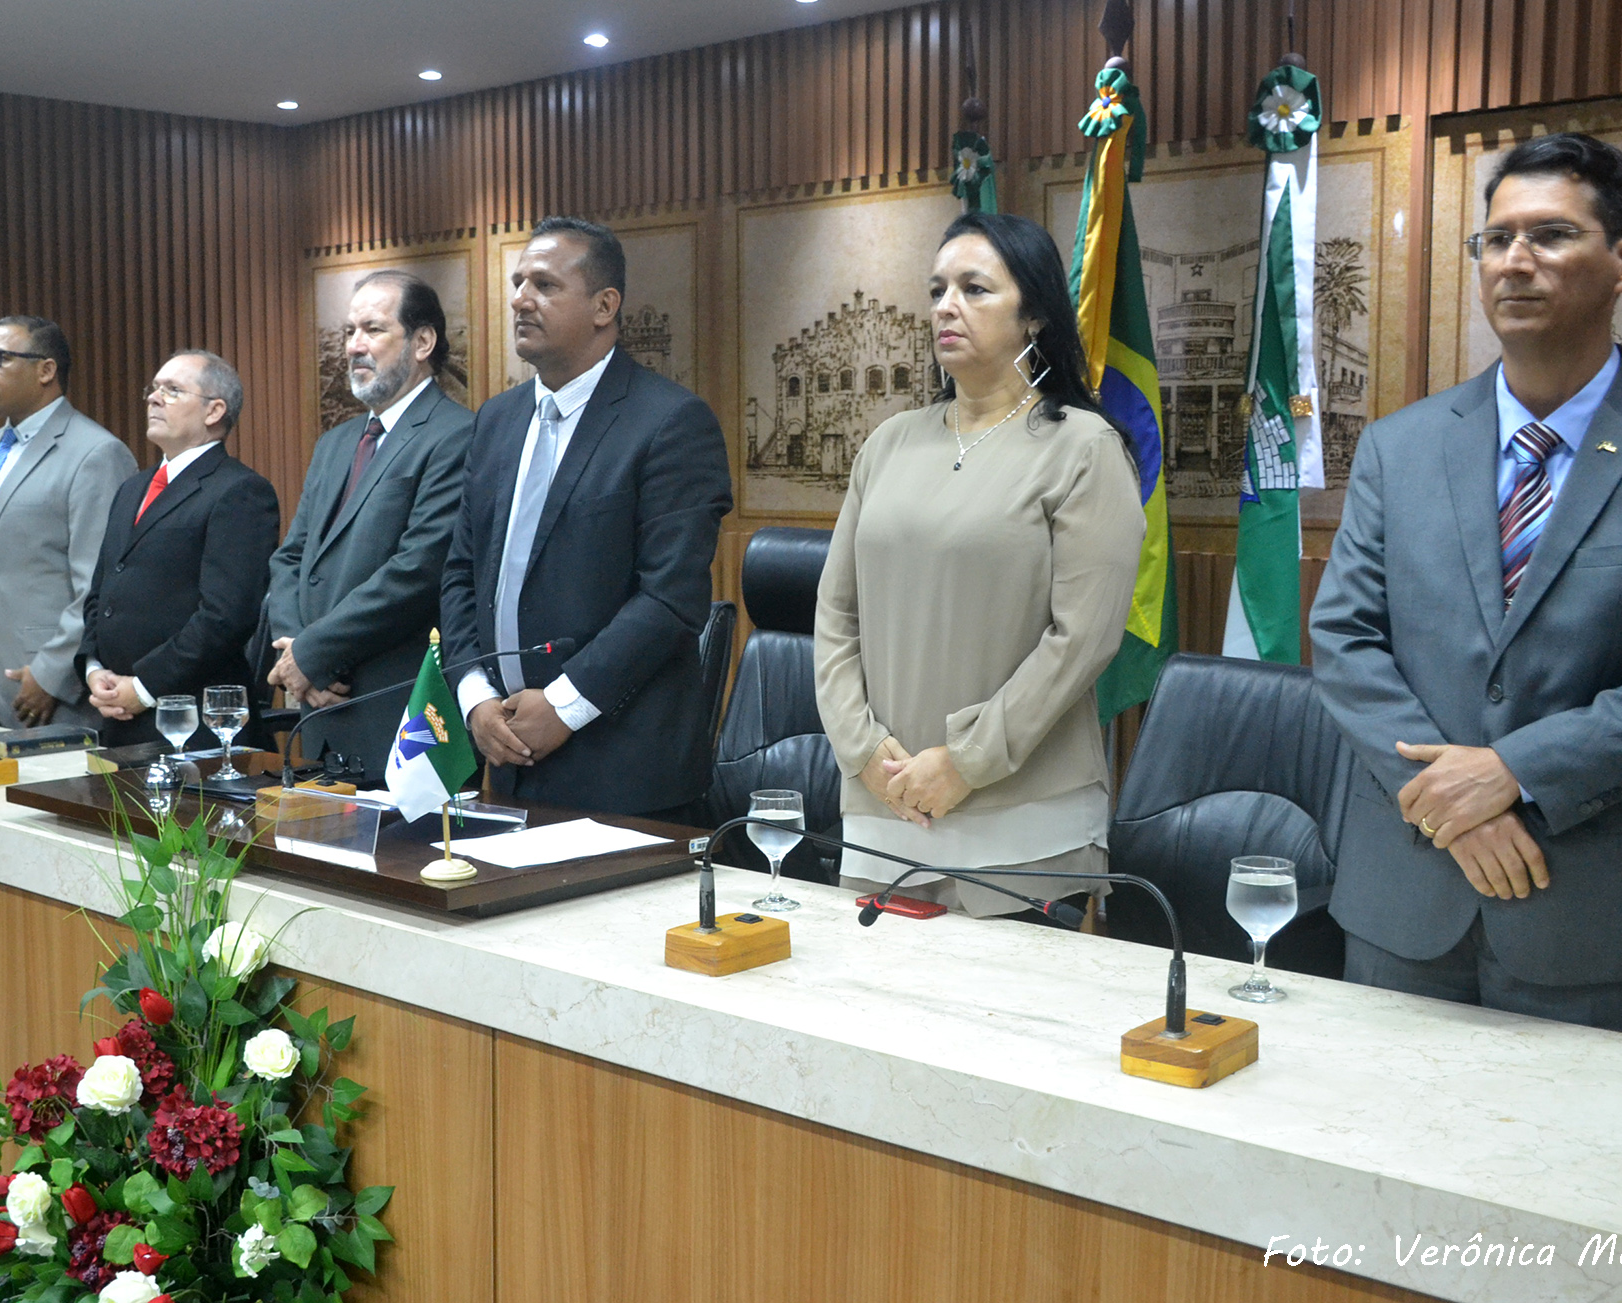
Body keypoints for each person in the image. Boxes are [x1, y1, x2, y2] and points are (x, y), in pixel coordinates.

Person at [1310, 132, 1622, 1035]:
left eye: (1552, 235)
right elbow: (1344, 638)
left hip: (1595, 919)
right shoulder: (1400, 446)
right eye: (1496, 239)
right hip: (1404, 900)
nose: (1515, 261)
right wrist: (1452, 805)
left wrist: (1513, 773)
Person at [814, 211, 1145, 918]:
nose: (946, 307)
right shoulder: (888, 443)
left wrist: (967, 761)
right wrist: (862, 749)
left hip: (1021, 819)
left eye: (974, 289)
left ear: (1034, 315)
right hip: (884, 800)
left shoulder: (1084, 448)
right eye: (937, 290)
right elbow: (836, 614)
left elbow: (1082, 640)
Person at [441, 217, 732, 818]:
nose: (520, 300)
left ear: (605, 306)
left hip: (624, 773)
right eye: (519, 283)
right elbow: (461, 572)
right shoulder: (496, 420)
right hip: (506, 756)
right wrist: (474, 697)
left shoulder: (670, 422)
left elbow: (670, 598)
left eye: (544, 285)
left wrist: (564, 705)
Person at [262, 271, 475, 782]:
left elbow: (418, 569)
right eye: (349, 332)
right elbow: (292, 558)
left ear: (423, 342)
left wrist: (313, 654)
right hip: (320, 712)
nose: (354, 346)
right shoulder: (335, 443)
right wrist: (295, 652)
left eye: (373, 330)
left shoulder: (458, 435)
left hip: (401, 719)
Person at [78, 351, 280, 747]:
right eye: (154, 389)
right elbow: (102, 590)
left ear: (214, 411)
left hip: (196, 722)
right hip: (116, 715)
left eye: (172, 390)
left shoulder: (239, 490)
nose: (154, 398)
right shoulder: (132, 488)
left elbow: (225, 616)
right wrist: (92, 666)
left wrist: (144, 687)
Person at [0, 315, 135, 730]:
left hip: (52, 693)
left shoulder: (96, 453)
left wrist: (52, 672)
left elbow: (101, 584)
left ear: (46, 370)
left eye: (0, 358)